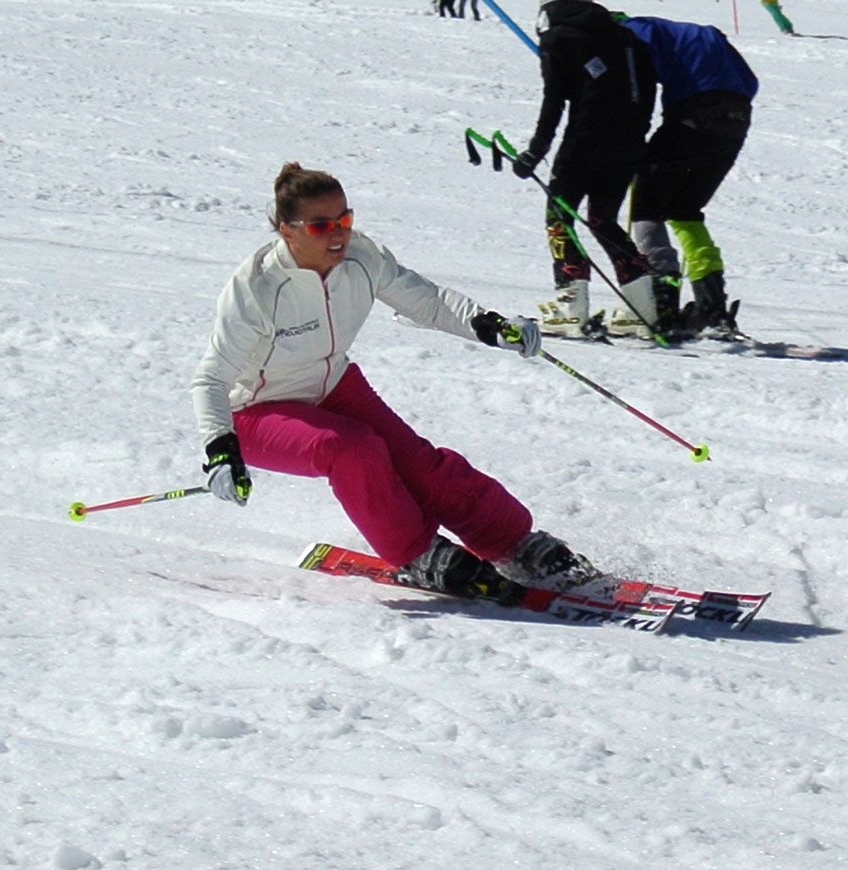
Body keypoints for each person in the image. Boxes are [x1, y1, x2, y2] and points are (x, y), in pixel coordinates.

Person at [191, 162, 604, 601]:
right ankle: (417, 554)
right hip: (256, 411)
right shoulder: (256, 287)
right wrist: (221, 451)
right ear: (286, 230)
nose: (338, 234)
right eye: (320, 225)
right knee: (352, 448)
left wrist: (490, 325)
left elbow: (427, 303)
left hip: (332, 384)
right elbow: (210, 379)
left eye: (345, 219)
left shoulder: (361, 258)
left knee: (419, 465)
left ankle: (513, 542)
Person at [512, 0, 673, 339]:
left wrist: (535, 152)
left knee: (559, 218)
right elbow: (644, 89)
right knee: (603, 220)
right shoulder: (623, 36)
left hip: (586, 140)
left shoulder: (557, 36)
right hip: (628, 141)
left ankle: (572, 307)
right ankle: (641, 307)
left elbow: (554, 98)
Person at [617, 13, 759, 335]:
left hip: (691, 117)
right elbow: (750, 82)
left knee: (647, 207)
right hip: (735, 123)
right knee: (685, 212)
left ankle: (661, 303)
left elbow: (635, 81)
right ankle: (712, 306)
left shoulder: (636, 31)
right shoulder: (706, 34)